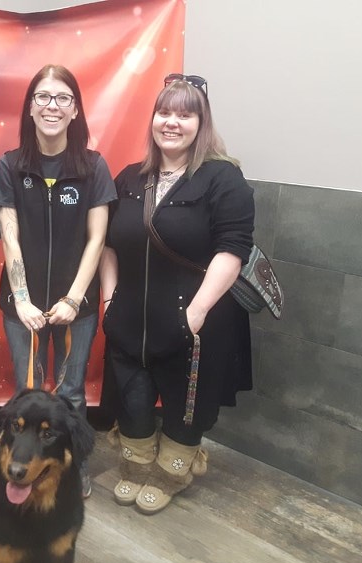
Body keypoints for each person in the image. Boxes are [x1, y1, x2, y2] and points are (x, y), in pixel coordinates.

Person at [99, 73, 254, 515]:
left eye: (185, 115)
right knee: (132, 397)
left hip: (196, 317)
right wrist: (109, 299)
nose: (172, 122)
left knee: (189, 402)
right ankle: (135, 466)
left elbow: (232, 250)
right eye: (165, 112)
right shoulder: (130, 178)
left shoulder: (223, 178)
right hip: (129, 314)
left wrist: (197, 312)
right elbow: (109, 244)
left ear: (201, 123)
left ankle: (172, 472)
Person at [0, 65, 116, 498]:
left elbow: (97, 238)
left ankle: (74, 464)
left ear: (75, 109)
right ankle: (21, 465)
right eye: (43, 97)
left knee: (72, 394)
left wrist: (74, 299)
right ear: (30, 107)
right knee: (27, 395)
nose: (52, 106)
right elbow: (9, 237)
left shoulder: (93, 167)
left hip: (75, 308)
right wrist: (23, 301)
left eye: (62, 98)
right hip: (20, 309)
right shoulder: (9, 166)